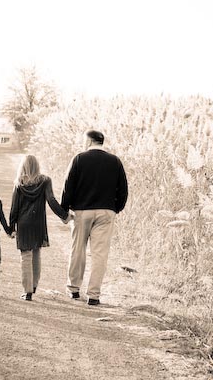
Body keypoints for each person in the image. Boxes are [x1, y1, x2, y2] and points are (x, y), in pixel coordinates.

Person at [61, 130, 128, 306]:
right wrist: (115, 209)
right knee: (100, 254)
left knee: (78, 250)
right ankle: (93, 295)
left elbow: (68, 186)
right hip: (106, 211)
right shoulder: (115, 161)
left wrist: (64, 210)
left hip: (82, 211)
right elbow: (123, 190)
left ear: (89, 141)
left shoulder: (79, 159)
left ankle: (74, 289)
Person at [10, 155, 72, 301]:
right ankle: (34, 285)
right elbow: (51, 200)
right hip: (38, 222)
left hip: (23, 223)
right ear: (37, 166)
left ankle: (27, 291)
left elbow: (14, 207)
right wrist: (64, 215)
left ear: (23, 166)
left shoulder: (19, 183)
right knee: (36, 253)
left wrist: (11, 227)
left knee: (26, 256)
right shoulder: (45, 181)